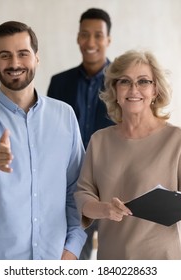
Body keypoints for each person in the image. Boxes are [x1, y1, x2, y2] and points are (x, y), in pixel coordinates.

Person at [0, 21, 86, 260]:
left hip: (55, 260)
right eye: (5, 55)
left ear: (36, 58)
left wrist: (73, 248)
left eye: (23, 54)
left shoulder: (64, 115)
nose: (15, 63)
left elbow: (76, 189)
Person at [74, 50, 181, 260]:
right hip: (114, 258)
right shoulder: (99, 140)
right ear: (114, 88)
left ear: (155, 90)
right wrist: (104, 210)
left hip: (166, 258)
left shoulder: (175, 138)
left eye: (143, 81)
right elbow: (82, 195)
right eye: (125, 81)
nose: (134, 89)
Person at [47, 7, 114, 260]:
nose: (91, 42)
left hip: (113, 186)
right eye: (85, 35)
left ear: (108, 40)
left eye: (98, 35)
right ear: (77, 38)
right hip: (70, 187)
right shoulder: (59, 82)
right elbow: (49, 134)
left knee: (115, 256)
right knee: (72, 256)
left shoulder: (123, 82)